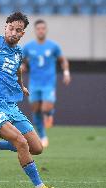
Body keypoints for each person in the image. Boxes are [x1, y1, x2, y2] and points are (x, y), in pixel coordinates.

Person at [0, 12, 63, 188]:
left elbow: (17, 68)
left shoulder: (19, 51)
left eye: (18, 30)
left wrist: (21, 86)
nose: (13, 32)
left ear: (23, 33)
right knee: (20, 141)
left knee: (37, 148)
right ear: (5, 27)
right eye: (11, 28)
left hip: (11, 106)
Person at [22, 19, 71, 147]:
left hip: (48, 83)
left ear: (46, 30)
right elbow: (20, 60)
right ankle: (43, 136)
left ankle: (50, 114)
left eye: (43, 28)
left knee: (46, 108)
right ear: (35, 30)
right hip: (34, 83)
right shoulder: (28, 47)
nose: (41, 30)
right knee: (36, 109)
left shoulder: (53, 46)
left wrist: (66, 72)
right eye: (38, 28)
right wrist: (22, 65)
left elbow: (62, 60)